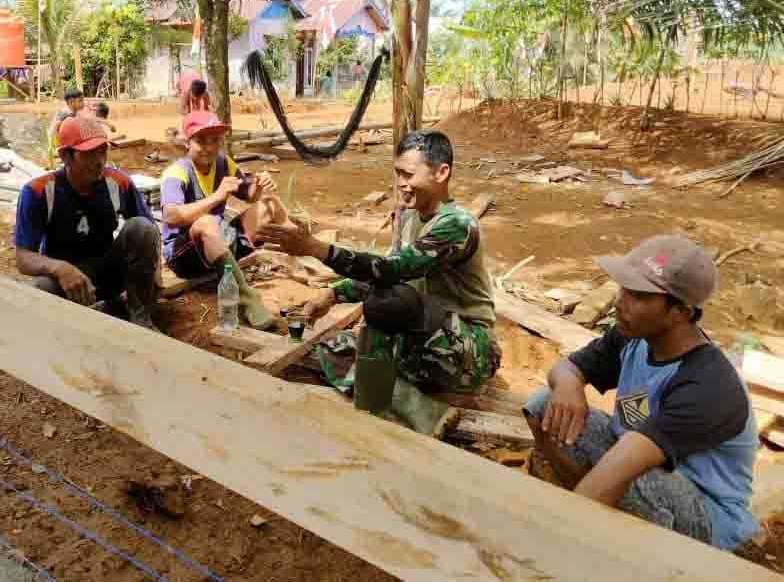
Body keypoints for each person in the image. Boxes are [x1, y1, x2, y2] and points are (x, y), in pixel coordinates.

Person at [522, 236, 758, 551]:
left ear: (681, 312)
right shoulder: (632, 336)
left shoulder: (709, 385)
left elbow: (625, 464)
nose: (621, 302)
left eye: (638, 296)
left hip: (705, 515)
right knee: (545, 405)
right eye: (623, 289)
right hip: (638, 462)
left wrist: (551, 547)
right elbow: (565, 369)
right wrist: (568, 385)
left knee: (623, 477)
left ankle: (614, 546)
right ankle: (592, 515)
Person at [256, 130, 501, 396]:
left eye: (408, 174)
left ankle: (398, 394)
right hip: (422, 333)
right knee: (333, 347)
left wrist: (315, 248)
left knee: (392, 302)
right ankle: (398, 391)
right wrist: (332, 294)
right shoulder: (408, 216)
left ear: (441, 173)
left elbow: (390, 271)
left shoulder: (456, 225)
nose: (400, 183)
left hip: (468, 348)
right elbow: (385, 271)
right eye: (398, 173)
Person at [15, 116, 161, 331]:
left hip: (109, 271)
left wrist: (153, 276)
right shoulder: (38, 192)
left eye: (103, 150)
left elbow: (149, 232)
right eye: (89, 153)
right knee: (39, 289)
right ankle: (76, 324)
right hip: (69, 284)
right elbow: (23, 258)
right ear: (66, 156)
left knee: (141, 227)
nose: (99, 160)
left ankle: (140, 316)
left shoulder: (118, 183)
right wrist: (60, 268)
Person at [160, 111, 285, 329]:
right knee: (207, 221)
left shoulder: (223, 163)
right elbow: (171, 217)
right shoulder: (177, 173)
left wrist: (259, 185)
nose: (209, 147)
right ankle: (247, 297)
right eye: (201, 141)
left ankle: (307, 251)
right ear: (187, 143)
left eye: (215, 140)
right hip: (186, 255)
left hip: (219, 245)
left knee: (269, 205)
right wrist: (217, 196)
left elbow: (249, 195)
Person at [48, 88, 85, 159]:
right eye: (80, 101)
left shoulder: (74, 112)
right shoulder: (65, 113)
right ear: (71, 102)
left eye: (83, 100)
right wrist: (58, 146)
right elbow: (55, 127)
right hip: (55, 137)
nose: (83, 103)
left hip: (63, 135)